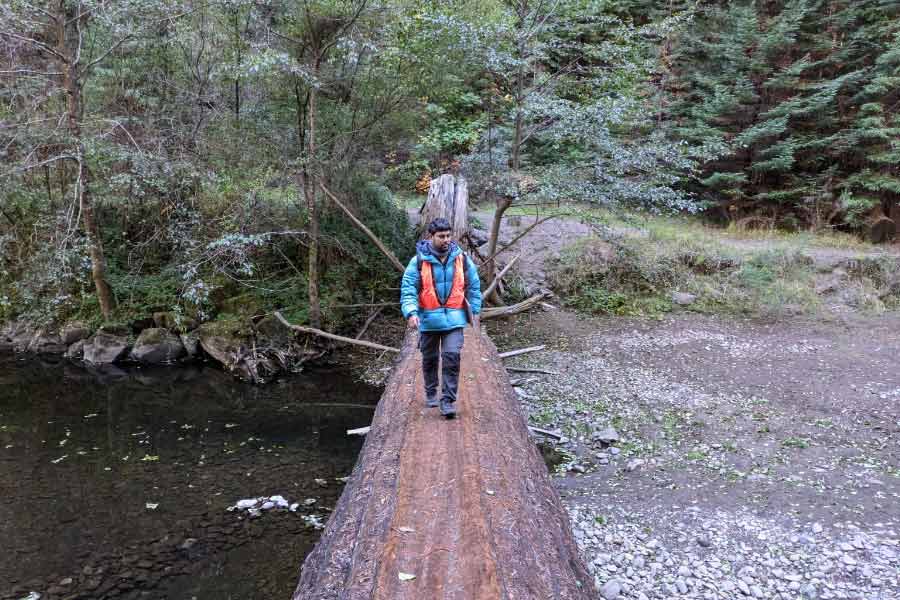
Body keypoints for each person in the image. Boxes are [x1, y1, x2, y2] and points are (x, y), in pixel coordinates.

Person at [400, 218, 482, 418]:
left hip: (454, 319)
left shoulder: (461, 258)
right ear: (431, 236)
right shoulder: (418, 260)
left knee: (452, 357)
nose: (446, 239)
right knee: (430, 359)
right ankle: (430, 391)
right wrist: (411, 312)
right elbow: (408, 288)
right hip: (428, 320)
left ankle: (447, 401)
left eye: (448, 235)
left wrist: (476, 310)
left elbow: (474, 284)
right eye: (441, 236)